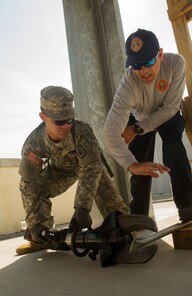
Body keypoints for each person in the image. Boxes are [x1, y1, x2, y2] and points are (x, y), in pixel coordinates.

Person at [16, 85, 129, 255]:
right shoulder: (33, 145)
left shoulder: (82, 131)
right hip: (57, 174)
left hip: (85, 167)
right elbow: (28, 183)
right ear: (43, 117)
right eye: (60, 121)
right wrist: (34, 223)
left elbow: (91, 168)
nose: (66, 125)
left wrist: (82, 208)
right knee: (31, 183)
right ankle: (41, 236)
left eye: (70, 119)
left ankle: (121, 225)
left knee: (98, 174)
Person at [103, 28, 192, 221]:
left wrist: (138, 129)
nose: (144, 71)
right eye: (137, 66)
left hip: (167, 113)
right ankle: (138, 215)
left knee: (174, 146)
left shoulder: (176, 64)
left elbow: (171, 108)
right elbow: (110, 133)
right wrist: (131, 165)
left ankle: (187, 204)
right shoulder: (127, 85)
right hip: (138, 116)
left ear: (161, 54)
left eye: (148, 62)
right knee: (140, 162)